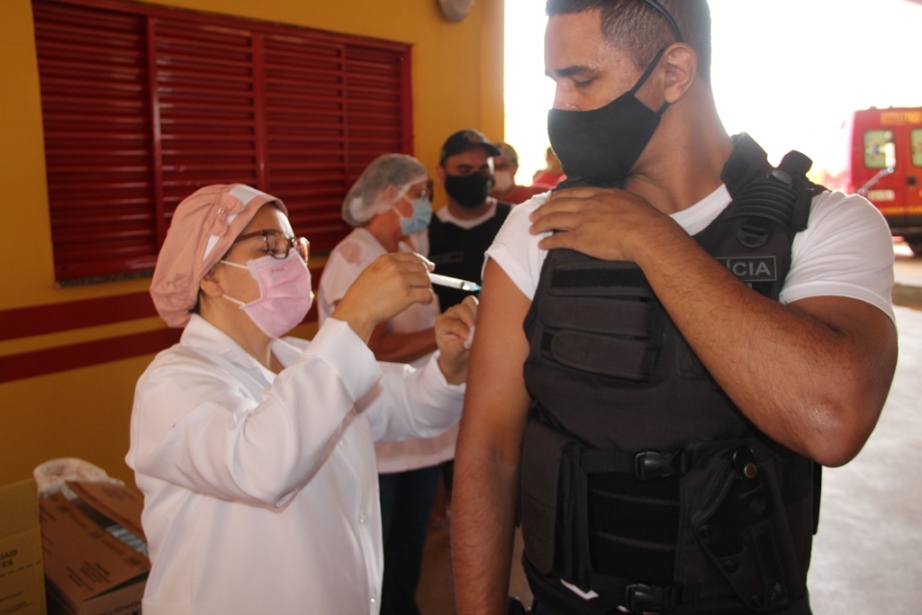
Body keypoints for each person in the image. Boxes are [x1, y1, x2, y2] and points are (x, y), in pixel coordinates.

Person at [450, 2, 898, 614]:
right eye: (554, 83)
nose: (560, 108)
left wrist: (651, 239)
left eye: (581, 80)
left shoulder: (825, 225)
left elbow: (831, 420)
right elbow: (489, 453)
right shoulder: (537, 228)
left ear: (674, 73)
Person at [127, 183, 477, 615]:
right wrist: (356, 316)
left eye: (295, 245)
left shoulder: (299, 358)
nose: (291, 260)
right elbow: (263, 465)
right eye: (270, 245)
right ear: (211, 276)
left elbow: (411, 406)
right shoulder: (171, 381)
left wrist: (449, 368)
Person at [317, 154, 454, 615]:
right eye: (418, 195)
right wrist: (440, 334)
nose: (425, 204)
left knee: (407, 550)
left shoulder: (407, 250)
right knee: (375, 555)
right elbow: (369, 348)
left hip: (416, 428)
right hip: (376, 438)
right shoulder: (355, 258)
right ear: (388, 197)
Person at [429, 129, 513, 310]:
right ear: (442, 174)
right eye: (464, 169)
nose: (476, 177)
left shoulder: (514, 220)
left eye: (484, 169)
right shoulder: (424, 232)